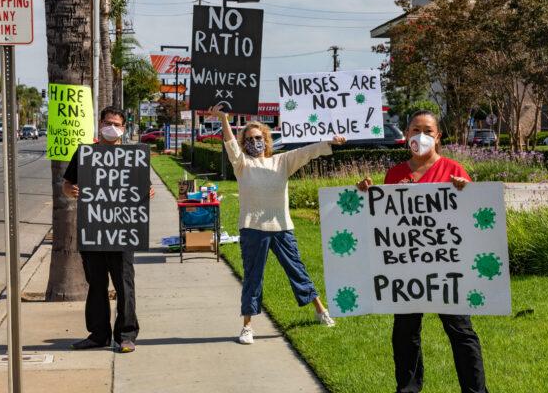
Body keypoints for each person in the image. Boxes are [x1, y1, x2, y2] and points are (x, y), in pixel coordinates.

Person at [358, 110, 488, 393]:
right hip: (406, 269)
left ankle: (476, 391)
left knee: (461, 332)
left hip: (446, 267)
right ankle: (408, 388)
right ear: (406, 135)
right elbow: (384, 221)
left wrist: (467, 191)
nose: (422, 135)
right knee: (405, 333)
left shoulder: (454, 171)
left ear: (438, 136)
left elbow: (475, 216)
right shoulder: (394, 174)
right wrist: (365, 197)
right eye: (416, 129)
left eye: (428, 130)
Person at [209, 104, 345, 345]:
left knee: (298, 271)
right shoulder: (242, 165)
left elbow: (307, 152)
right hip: (252, 229)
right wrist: (223, 119)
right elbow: (230, 144)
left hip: (281, 227)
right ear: (244, 143)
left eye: (259, 138)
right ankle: (247, 327)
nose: (255, 142)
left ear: (266, 139)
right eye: (249, 139)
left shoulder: (281, 162)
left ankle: (321, 311)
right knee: (253, 277)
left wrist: (330, 143)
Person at [62, 106, 154, 354]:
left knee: (125, 284)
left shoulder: (133, 157)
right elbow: (67, 184)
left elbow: (143, 188)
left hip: (123, 232)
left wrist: (148, 192)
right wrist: (70, 191)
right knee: (96, 284)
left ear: (124, 129)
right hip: (94, 229)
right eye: (107, 122)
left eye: (116, 123)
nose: (111, 127)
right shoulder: (85, 155)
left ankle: (126, 335)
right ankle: (98, 334)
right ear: (100, 124)